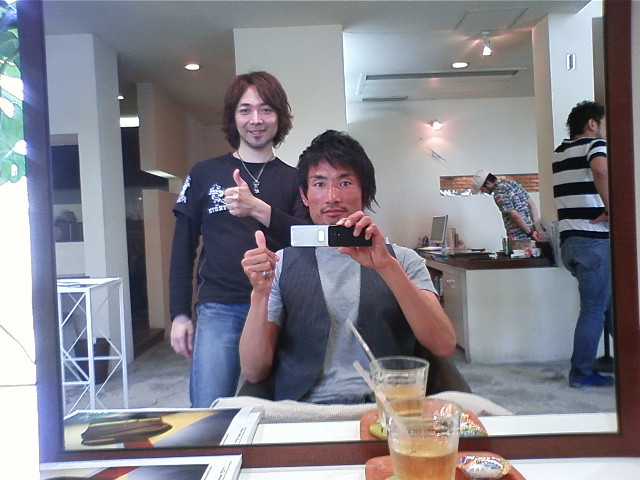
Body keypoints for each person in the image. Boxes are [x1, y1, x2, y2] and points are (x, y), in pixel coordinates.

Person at [239, 130, 456, 403]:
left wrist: (387, 267)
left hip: (386, 409)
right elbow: (254, 371)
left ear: (365, 192)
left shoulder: (402, 260)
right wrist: (259, 294)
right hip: (303, 409)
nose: (332, 197)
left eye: (344, 182)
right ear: (304, 196)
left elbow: (443, 344)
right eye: (319, 183)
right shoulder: (281, 265)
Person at [169, 71, 309, 407]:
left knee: (283, 406)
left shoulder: (295, 179)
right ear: (233, 117)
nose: (255, 120)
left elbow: (307, 240)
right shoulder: (204, 173)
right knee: (208, 411)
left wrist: (258, 209)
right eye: (245, 110)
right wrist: (179, 314)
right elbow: (182, 247)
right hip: (220, 306)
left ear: (279, 116)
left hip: (282, 306)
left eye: (266, 109)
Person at [553, 100, 612, 388]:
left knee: (609, 305)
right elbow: (600, 170)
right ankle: (581, 372)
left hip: (570, 241)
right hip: (592, 239)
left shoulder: (559, 153)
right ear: (592, 123)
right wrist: (612, 208)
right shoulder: (595, 145)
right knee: (593, 308)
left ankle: (626, 361)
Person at [471, 170, 541, 251]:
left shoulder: (499, 193)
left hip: (519, 239)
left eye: (482, 189)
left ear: (488, 183)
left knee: (521, 259)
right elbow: (531, 205)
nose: (483, 192)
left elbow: (515, 216)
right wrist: (536, 229)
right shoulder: (513, 183)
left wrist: (530, 233)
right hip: (532, 236)